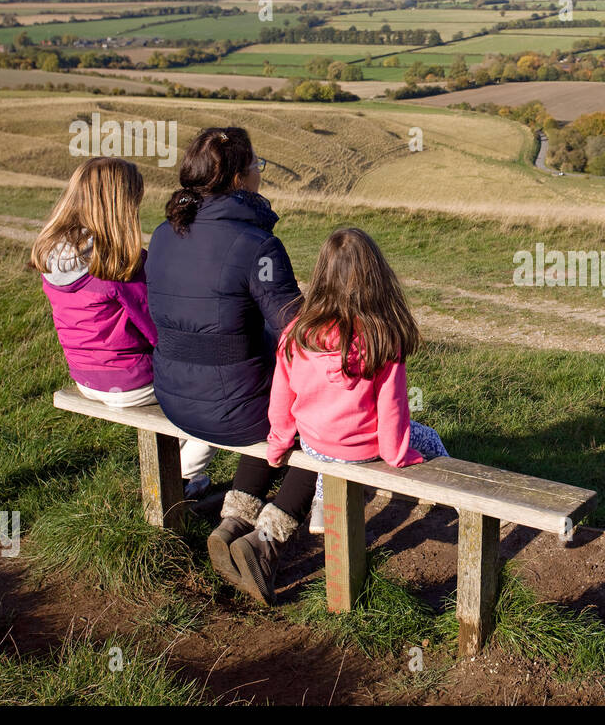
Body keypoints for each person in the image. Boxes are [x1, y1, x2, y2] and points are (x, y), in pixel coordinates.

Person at [145, 127, 315, 605]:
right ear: (240, 179)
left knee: (256, 399)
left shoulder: (162, 234)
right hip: (231, 410)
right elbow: (298, 334)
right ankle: (265, 544)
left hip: (176, 399)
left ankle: (234, 520)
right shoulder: (256, 246)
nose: (262, 171)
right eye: (258, 164)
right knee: (320, 427)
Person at [31, 156, 216, 497]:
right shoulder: (119, 263)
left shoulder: (53, 257)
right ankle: (186, 476)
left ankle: (182, 467)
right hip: (131, 382)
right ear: (121, 205)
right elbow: (159, 330)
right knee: (224, 391)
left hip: (86, 377)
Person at [266, 227, 447, 537]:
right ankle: (450, 498)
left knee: (332, 449)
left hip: (314, 442)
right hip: (362, 446)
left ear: (322, 275)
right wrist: (396, 455)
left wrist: (278, 444)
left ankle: (323, 504)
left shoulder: (297, 332)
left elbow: (281, 398)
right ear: (375, 277)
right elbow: (393, 410)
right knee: (429, 438)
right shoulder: (382, 339)